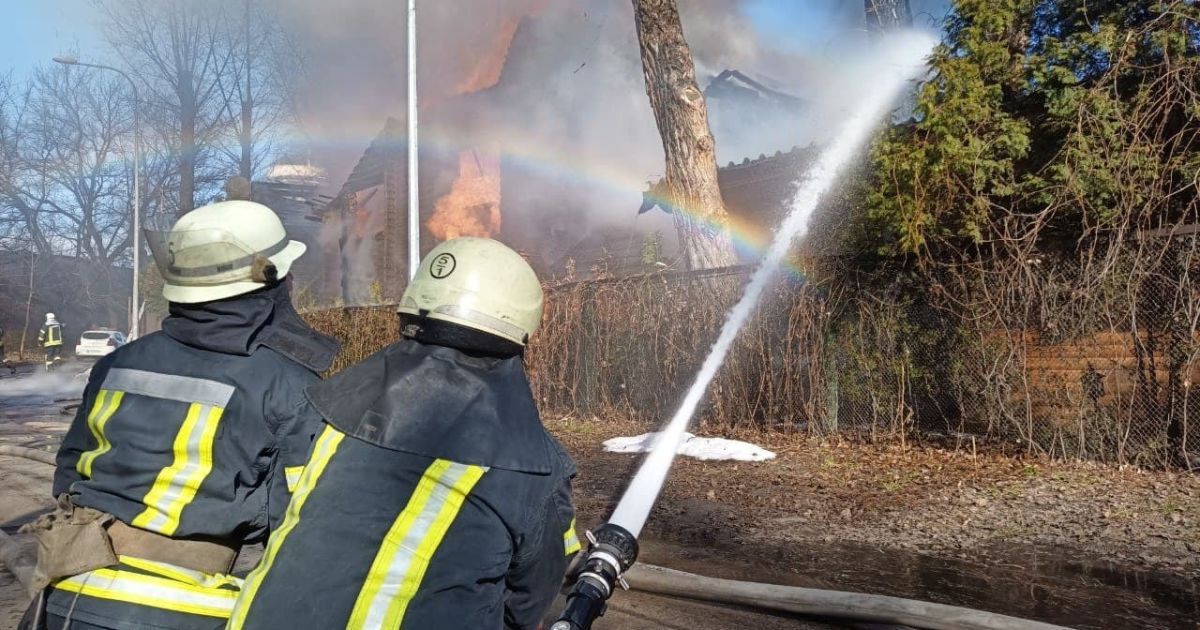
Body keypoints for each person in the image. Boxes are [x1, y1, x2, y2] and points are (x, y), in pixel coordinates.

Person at [18, 197, 340, 630]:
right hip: (183, 609)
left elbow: (69, 472)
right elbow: (303, 523)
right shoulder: (289, 385)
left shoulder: (118, 363)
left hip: (68, 594)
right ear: (272, 282)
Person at [227, 237, 580, 630]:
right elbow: (528, 605)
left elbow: (284, 520)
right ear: (521, 329)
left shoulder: (323, 408)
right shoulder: (535, 466)